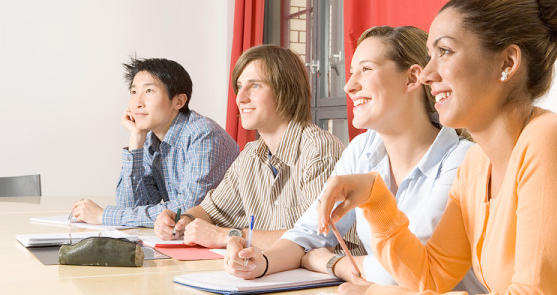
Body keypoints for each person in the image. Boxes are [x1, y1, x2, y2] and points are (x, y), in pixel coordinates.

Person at [314, 0, 557, 294]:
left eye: (445, 51)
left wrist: (378, 292)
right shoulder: (475, 165)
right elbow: (432, 274)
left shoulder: (550, 141)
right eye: (429, 55)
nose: (425, 74)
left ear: (508, 62)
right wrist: (376, 198)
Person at [223, 26, 485, 293]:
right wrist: (261, 262)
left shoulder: (463, 160)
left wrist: (332, 263)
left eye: (366, 70)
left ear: (412, 78)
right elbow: (309, 231)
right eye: (350, 74)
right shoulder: (362, 148)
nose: (349, 85)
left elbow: (411, 270)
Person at [153, 45, 345, 250]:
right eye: (239, 86)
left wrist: (230, 235)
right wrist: (184, 218)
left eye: (255, 86)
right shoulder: (250, 155)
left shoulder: (320, 151)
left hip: (329, 280)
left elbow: (317, 238)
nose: (240, 98)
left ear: (286, 90)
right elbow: (212, 210)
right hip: (272, 274)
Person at [70, 57, 239, 227]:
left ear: (179, 101)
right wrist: (136, 141)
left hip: (233, 241)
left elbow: (188, 210)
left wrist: (104, 216)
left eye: (149, 91)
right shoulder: (152, 139)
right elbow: (130, 207)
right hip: (189, 240)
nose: (137, 103)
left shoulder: (202, 135)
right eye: (134, 92)